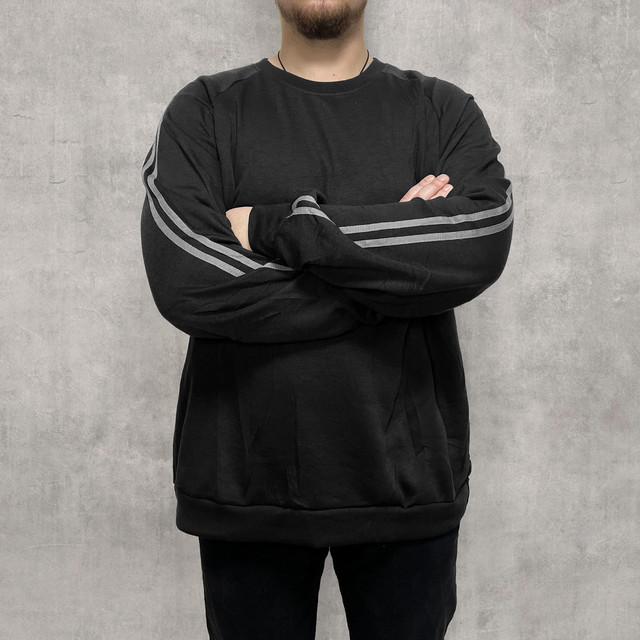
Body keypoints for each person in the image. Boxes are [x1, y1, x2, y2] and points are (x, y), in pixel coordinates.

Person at [139, 0, 513, 637]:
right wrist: (391, 270)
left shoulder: (442, 111)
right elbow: (189, 284)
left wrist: (271, 225)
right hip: (245, 487)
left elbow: (479, 242)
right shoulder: (203, 111)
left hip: (408, 485)